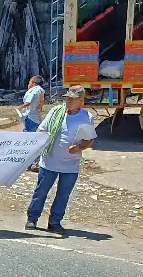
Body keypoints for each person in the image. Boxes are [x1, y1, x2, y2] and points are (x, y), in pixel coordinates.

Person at [26, 86, 93, 237]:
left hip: (70, 165)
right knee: (41, 191)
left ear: (80, 100)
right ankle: (32, 218)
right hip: (49, 161)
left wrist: (80, 147)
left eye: (72, 98)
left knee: (63, 195)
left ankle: (54, 222)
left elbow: (90, 140)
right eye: (67, 97)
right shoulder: (56, 111)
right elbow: (41, 129)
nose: (68, 100)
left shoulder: (86, 117)